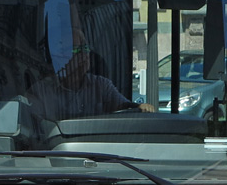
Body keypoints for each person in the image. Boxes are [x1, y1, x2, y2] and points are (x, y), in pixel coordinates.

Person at [26, 31, 154, 120]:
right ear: (60, 57)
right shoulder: (42, 91)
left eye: (86, 49)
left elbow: (124, 106)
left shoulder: (101, 85)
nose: (85, 55)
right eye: (76, 50)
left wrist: (139, 107)